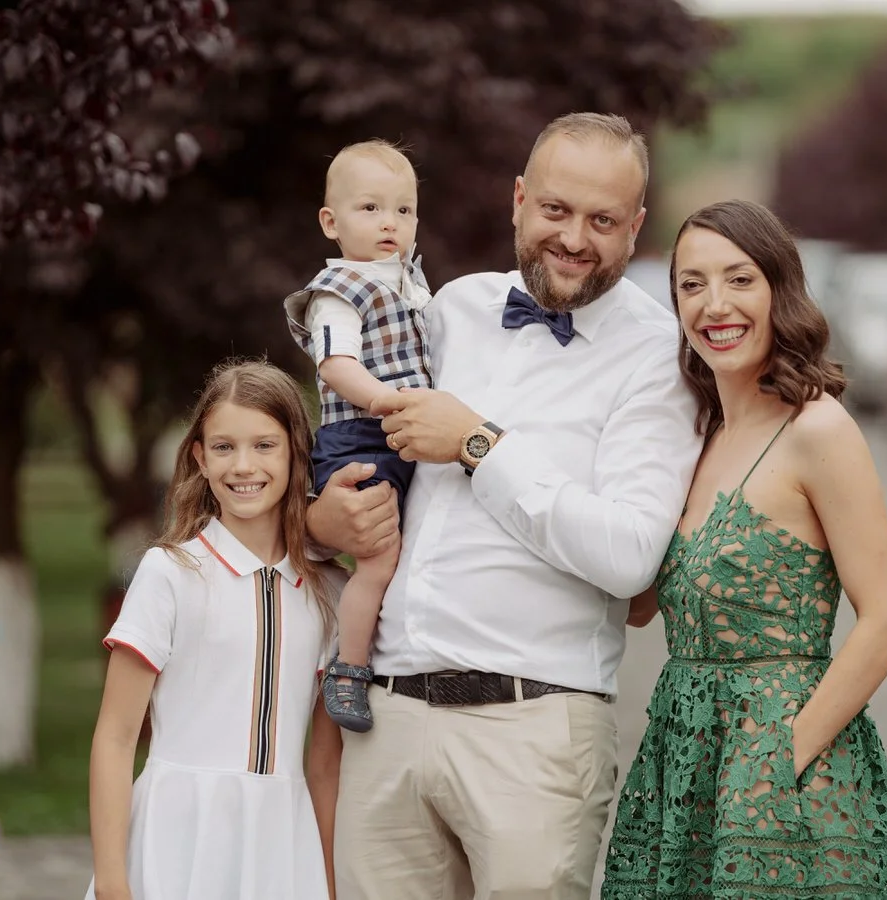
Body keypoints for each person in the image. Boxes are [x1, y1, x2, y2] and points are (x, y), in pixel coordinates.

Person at [306, 112, 703, 900]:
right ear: (519, 200)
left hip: (534, 732)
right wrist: (321, 524)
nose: (575, 238)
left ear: (636, 228)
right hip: (387, 717)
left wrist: (482, 444)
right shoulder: (447, 307)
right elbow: (357, 444)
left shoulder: (657, 357)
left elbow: (630, 559)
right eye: (556, 210)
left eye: (602, 220)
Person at [601, 199, 887, 898]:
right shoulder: (695, 438)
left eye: (738, 279)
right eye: (692, 284)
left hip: (786, 774)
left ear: (779, 289)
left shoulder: (819, 429)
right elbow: (637, 606)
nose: (714, 304)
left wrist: (781, 758)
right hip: (683, 766)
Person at [86, 360, 345, 900]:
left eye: (265, 445)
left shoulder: (329, 592)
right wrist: (113, 882)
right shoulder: (170, 573)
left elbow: (324, 763)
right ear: (200, 458)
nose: (243, 465)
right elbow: (114, 738)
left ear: (297, 451)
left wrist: (331, 879)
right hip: (175, 841)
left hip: (282, 846)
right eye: (224, 447)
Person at [283, 139, 433, 733]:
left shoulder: (410, 283)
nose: (390, 223)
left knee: (408, 542)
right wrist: (381, 398)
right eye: (370, 209)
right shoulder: (339, 288)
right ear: (331, 222)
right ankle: (348, 670)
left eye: (404, 210)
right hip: (362, 436)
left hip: (400, 430)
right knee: (377, 557)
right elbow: (335, 363)